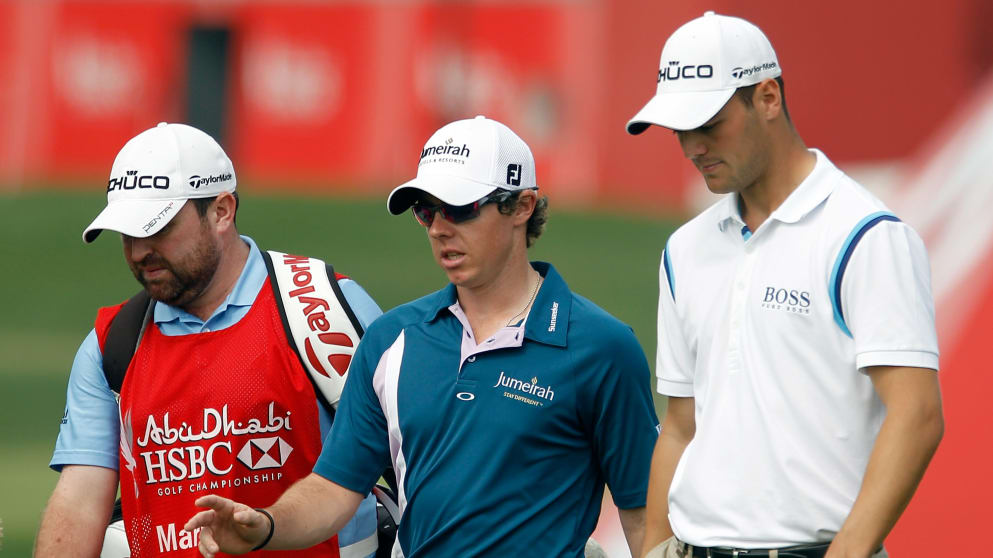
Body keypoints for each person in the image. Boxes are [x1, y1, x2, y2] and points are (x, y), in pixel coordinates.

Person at [183, 116, 660, 557]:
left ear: (522, 206)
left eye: (459, 209)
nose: (439, 229)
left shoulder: (601, 348)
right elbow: (333, 489)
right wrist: (264, 525)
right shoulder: (391, 340)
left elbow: (642, 517)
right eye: (426, 211)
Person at [626, 11, 944, 558]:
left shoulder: (865, 236)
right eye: (681, 129)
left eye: (708, 124)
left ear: (768, 98)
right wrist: (654, 546)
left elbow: (918, 415)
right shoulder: (684, 250)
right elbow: (680, 425)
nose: (691, 147)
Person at [36, 122, 383, 558]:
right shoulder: (112, 346)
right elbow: (80, 500)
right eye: (128, 234)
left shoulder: (321, 308)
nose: (140, 251)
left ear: (221, 211)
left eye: (157, 229)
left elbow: (416, 459)